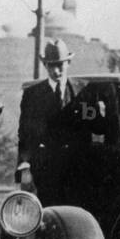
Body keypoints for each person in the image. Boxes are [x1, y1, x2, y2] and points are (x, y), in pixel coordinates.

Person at [16, 39, 101, 206]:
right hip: (46, 172)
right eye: (51, 65)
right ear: (45, 65)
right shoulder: (32, 95)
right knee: (48, 216)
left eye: (60, 65)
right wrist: (24, 166)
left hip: (78, 172)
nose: (56, 71)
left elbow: (97, 127)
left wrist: (98, 111)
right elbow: (24, 135)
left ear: (68, 62)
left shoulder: (85, 92)